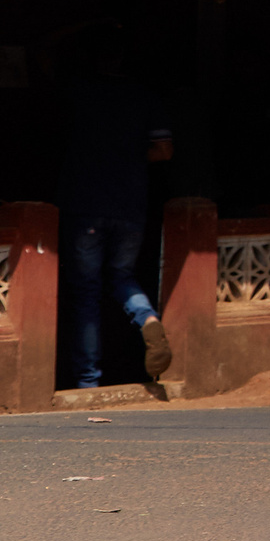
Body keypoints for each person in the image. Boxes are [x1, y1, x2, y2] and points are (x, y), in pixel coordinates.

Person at [57, 34, 175, 388]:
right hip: (131, 205)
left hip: (86, 204)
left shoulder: (77, 91)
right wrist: (129, 159)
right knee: (122, 277)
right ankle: (147, 318)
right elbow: (164, 150)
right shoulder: (144, 95)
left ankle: (87, 380)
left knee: (87, 293)